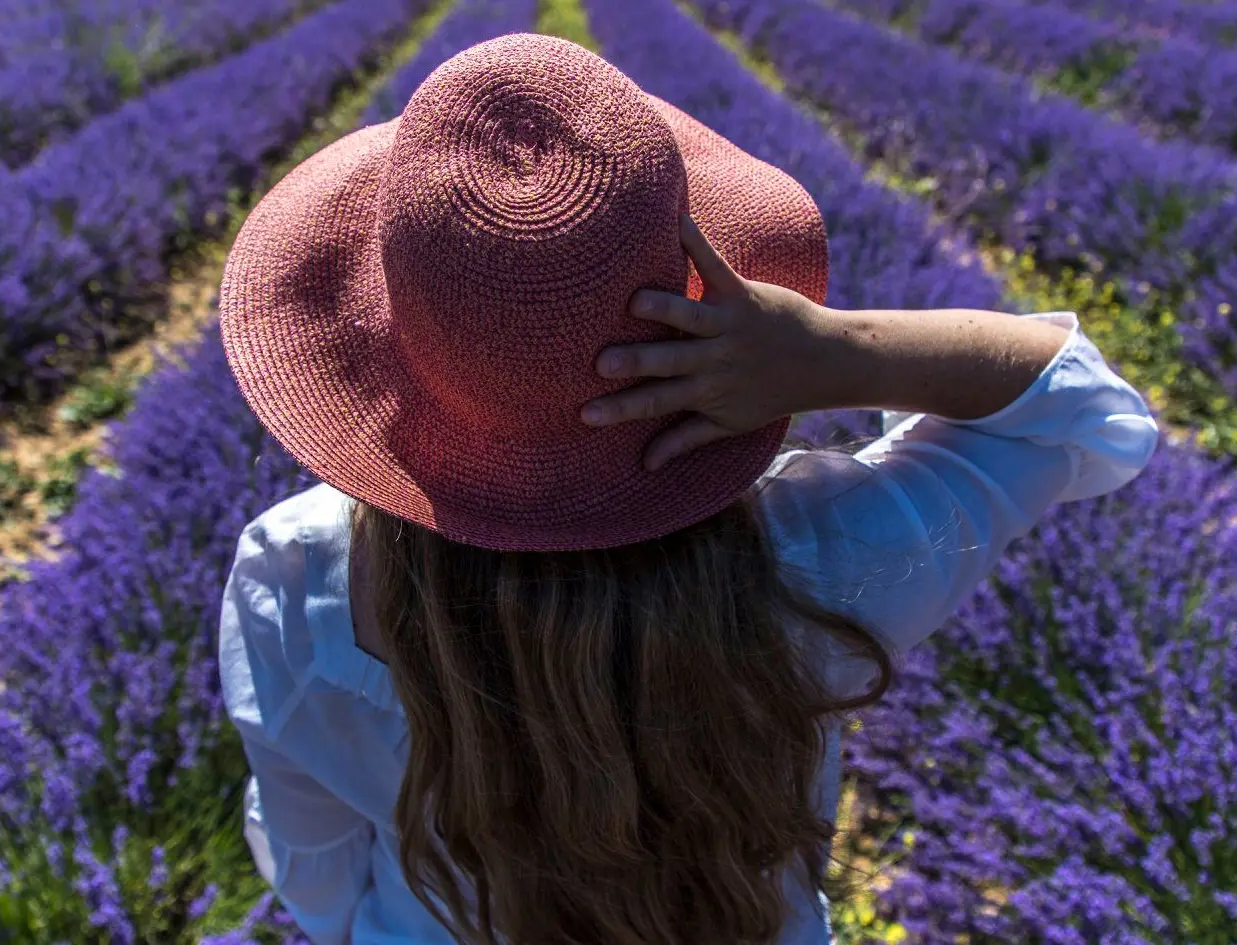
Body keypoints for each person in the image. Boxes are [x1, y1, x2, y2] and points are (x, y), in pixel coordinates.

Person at [216, 32, 1157, 945]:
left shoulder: (298, 578)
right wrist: (834, 356)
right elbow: (1080, 409)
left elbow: (318, 866)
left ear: (392, 339)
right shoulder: (820, 563)